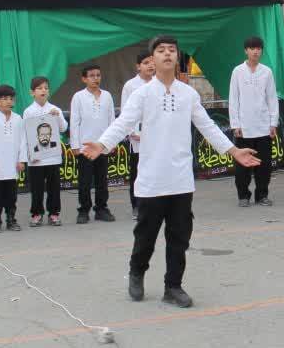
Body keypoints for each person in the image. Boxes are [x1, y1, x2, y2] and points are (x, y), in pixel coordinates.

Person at [81, 35, 261, 308]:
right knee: (146, 236)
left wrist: (234, 151)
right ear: (152, 59)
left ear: (178, 57)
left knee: (179, 238)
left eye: (172, 50)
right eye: (161, 50)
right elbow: (123, 122)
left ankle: (173, 286)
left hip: (180, 180)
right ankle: (137, 273)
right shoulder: (142, 94)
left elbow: (208, 126)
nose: (167, 54)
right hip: (152, 180)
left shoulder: (188, 94)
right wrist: (102, 144)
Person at [229, 36, 278, 206]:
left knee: (264, 165)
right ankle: (243, 195)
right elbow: (233, 99)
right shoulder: (237, 71)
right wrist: (235, 124)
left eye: (258, 48)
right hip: (244, 127)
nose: (255, 51)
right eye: (252, 48)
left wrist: (273, 123)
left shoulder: (267, 72)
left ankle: (262, 195)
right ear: (246, 50)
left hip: (263, 126)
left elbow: (272, 98)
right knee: (242, 165)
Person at [70, 63, 116, 224]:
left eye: (98, 75)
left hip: (102, 145)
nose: (96, 78)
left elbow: (112, 120)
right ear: (84, 79)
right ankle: (83, 210)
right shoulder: (78, 97)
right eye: (92, 76)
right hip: (85, 147)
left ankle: (101, 209)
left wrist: (111, 142)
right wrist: (75, 145)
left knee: (102, 180)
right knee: (84, 181)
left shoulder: (107, 96)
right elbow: (74, 122)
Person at [24, 76, 67, 227]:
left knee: (54, 187)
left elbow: (63, 129)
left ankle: (54, 213)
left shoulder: (54, 109)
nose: (43, 91)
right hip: (36, 158)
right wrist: (30, 155)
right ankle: (36, 214)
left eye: (46, 88)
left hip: (53, 156)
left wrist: (58, 117)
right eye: (39, 88)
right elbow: (26, 135)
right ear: (32, 92)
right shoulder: (28, 112)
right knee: (37, 188)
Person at [0, 85, 26, 233]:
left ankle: (11, 219)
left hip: (12, 164)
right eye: (4, 99)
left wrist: (22, 160)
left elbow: (22, 141)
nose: (8, 101)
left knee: (11, 195)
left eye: (10, 98)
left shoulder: (18, 119)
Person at [121, 51, 155, 219]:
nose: (150, 65)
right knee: (137, 173)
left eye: (152, 62)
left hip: (156, 138)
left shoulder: (159, 83)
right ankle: (136, 206)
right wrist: (132, 132)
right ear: (138, 66)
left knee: (155, 172)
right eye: (146, 62)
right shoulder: (131, 85)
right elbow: (125, 111)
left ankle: (155, 206)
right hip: (138, 139)